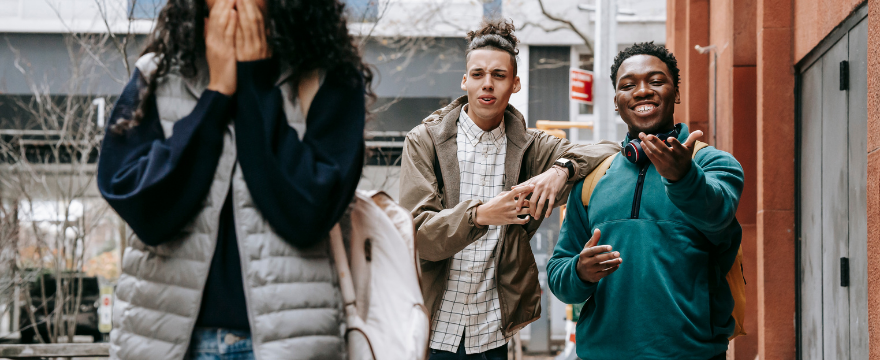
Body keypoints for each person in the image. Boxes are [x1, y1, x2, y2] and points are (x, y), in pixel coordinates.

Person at [96, 0, 371, 359]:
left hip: (289, 343)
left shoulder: (327, 76)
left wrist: (255, 81)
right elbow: (142, 207)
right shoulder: (157, 75)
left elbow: (308, 214)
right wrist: (216, 95)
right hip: (162, 342)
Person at [399, 19, 620, 359]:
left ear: (515, 83)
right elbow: (418, 237)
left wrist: (562, 169)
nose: (487, 84)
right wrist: (480, 216)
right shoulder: (425, 141)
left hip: (492, 334)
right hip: (432, 329)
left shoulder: (531, 147)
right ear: (465, 80)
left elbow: (609, 150)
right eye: (478, 74)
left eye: (499, 76)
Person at [547, 42, 744, 360]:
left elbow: (718, 216)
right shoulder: (593, 178)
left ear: (676, 93)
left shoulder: (714, 164)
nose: (642, 91)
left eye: (655, 81)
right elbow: (558, 275)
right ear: (616, 102)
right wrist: (580, 271)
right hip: (601, 354)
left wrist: (684, 178)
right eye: (628, 85)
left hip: (691, 354)